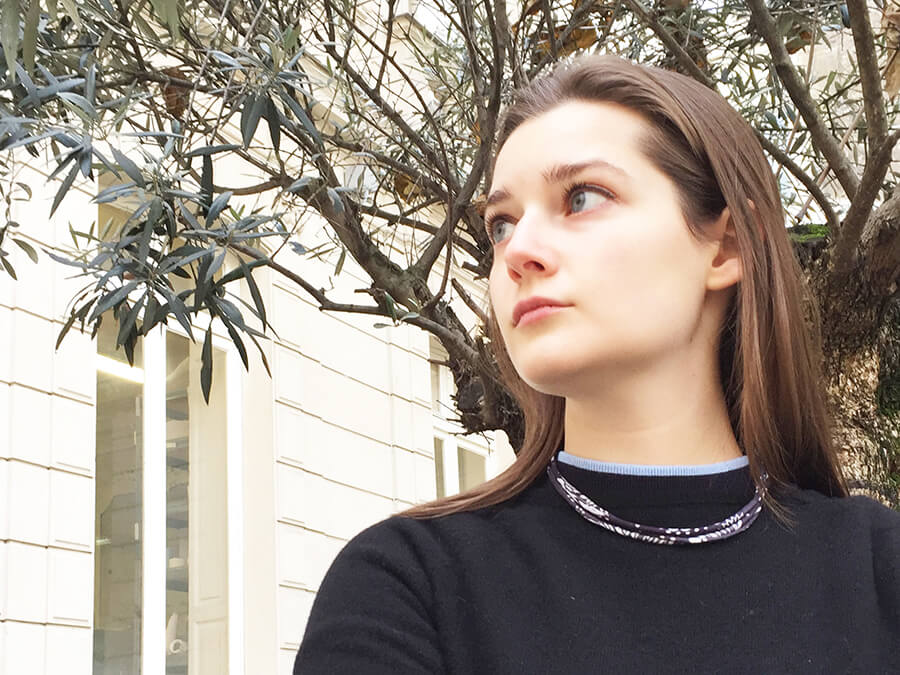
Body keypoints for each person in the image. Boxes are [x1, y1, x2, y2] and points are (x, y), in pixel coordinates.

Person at [293, 54, 900, 673]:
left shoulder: (878, 572)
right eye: (502, 224)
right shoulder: (407, 586)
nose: (518, 251)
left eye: (581, 198)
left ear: (727, 245)